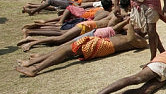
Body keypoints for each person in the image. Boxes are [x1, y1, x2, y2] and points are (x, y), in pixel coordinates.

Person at [15, 24, 148, 77]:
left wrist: (131, 21)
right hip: (102, 43)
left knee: (67, 50)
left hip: (104, 46)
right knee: (66, 48)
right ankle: (33, 63)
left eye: (143, 27)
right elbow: (117, 26)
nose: (139, 26)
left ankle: (35, 69)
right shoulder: (128, 32)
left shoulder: (141, 41)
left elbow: (131, 38)